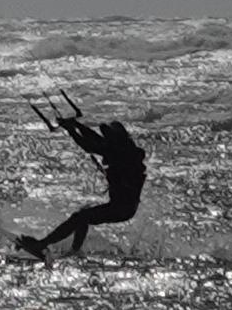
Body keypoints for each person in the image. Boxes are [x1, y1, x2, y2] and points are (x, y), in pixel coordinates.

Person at [15, 100, 145, 260]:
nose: (105, 138)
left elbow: (89, 145)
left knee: (82, 217)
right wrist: (75, 125)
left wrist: (72, 130)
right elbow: (96, 141)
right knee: (82, 216)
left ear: (116, 139)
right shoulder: (123, 149)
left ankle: (46, 245)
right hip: (123, 206)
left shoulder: (121, 154)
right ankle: (72, 249)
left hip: (122, 208)